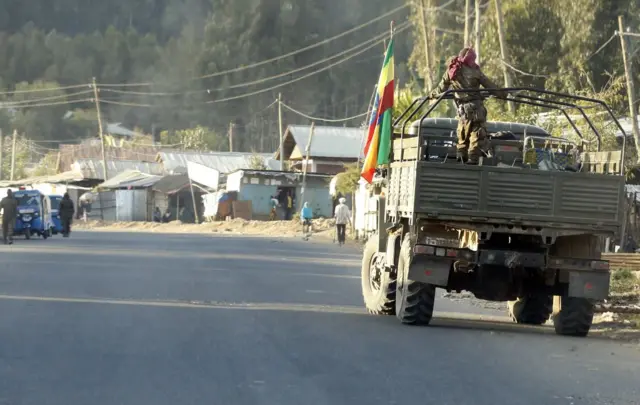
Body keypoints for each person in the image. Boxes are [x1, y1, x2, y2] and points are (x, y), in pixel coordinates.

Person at [429, 47, 507, 165]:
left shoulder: (452, 70)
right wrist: (503, 94)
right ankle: (473, 159)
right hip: (476, 109)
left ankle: (461, 157)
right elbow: (490, 86)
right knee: (477, 133)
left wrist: (432, 95)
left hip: (463, 111)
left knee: (462, 135)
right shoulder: (475, 71)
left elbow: (441, 88)